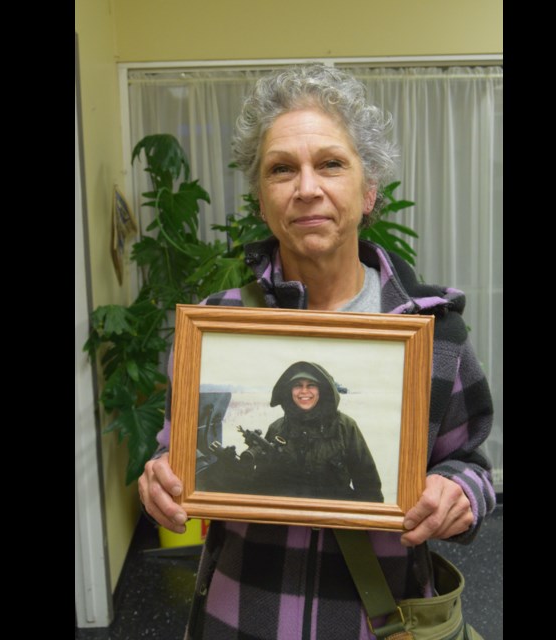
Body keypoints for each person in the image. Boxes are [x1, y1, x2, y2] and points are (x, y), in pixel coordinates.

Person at [139, 63, 495, 639]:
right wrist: (159, 478)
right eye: (282, 169)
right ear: (260, 198)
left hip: (380, 623)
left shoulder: (435, 332)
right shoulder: (219, 327)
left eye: (331, 163)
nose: (307, 187)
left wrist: (460, 493)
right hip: (239, 618)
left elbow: (472, 464)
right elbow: (175, 455)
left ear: (368, 188)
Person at [218, 360, 385, 502]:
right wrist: (238, 472)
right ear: (290, 391)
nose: (304, 391)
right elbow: (263, 486)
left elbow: (368, 485)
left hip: (334, 524)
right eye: (297, 386)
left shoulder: (345, 427)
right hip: (288, 524)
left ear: (321, 390)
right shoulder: (276, 429)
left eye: (311, 385)